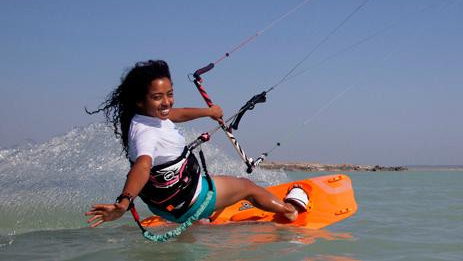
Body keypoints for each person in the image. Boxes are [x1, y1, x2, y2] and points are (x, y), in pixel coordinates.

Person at [85, 60, 308, 228]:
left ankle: (197, 224)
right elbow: (142, 166)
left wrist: (208, 112)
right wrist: (123, 203)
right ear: (140, 100)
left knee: (203, 181)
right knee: (247, 187)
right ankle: (289, 212)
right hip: (188, 200)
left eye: (169, 94)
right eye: (157, 97)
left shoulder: (143, 117)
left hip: (163, 205)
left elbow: (176, 113)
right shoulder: (146, 133)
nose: (166, 102)